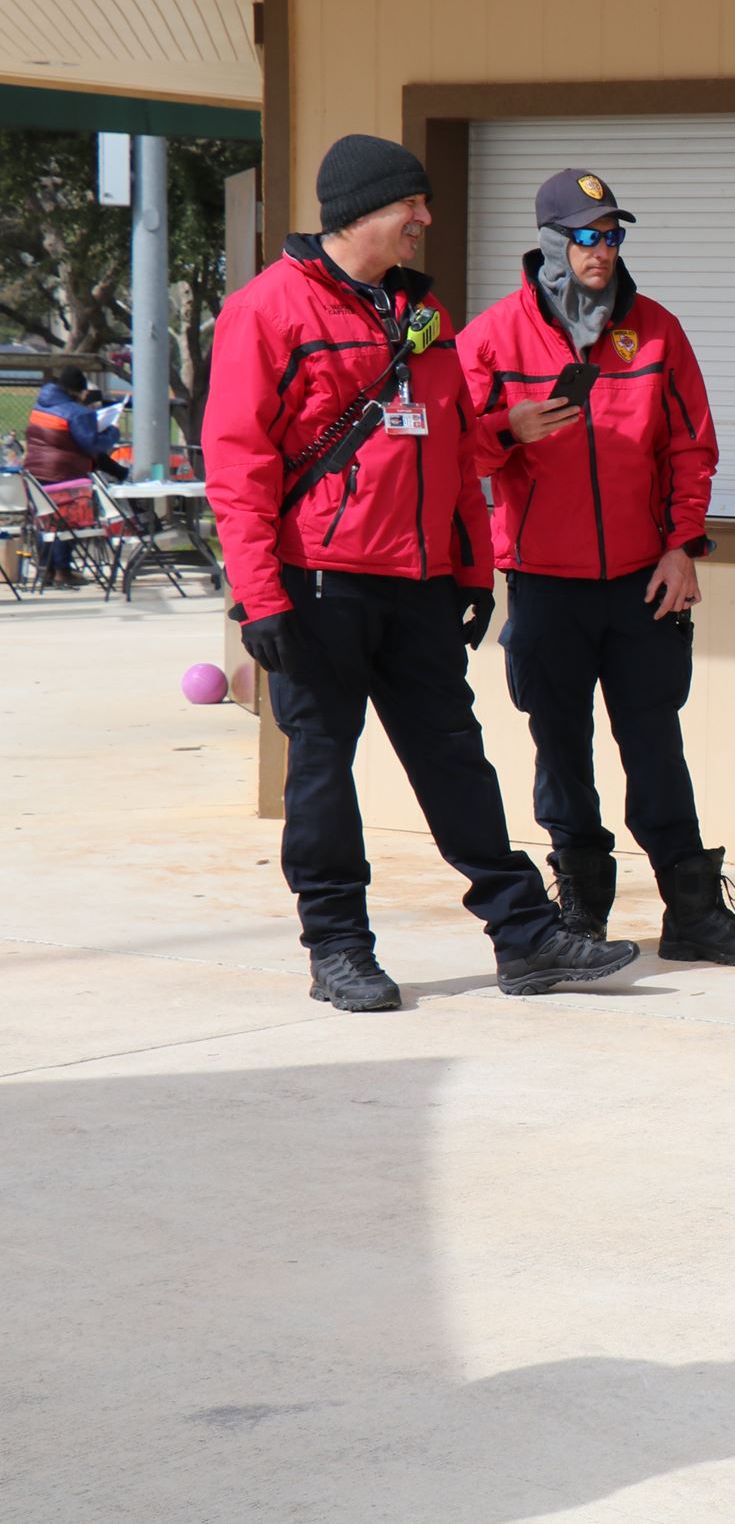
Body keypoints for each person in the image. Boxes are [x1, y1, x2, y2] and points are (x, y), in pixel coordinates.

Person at [203, 133, 633, 1012]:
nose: (425, 220)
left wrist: (471, 568)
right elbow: (237, 464)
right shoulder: (267, 309)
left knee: (456, 760)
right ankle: (338, 948)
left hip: (421, 583)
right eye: (412, 205)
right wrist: (259, 596)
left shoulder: (421, 312)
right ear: (363, 210)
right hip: (318, 584)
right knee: (323, 769)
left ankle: (525, 935)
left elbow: (452, 447)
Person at [457, 168, 735, 969]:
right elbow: (451, 452)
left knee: (656, 744)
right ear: (551, 242)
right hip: (544, 581)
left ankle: (694, 912)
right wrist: (508, 429)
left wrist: (682, 544)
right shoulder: (493, 337)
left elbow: (691, 447)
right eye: (587, 236)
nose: (602, 250)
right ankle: (580, 912)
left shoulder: (657, 330)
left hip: (643, 578)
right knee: (561, 749)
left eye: (612, 235)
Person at [20, 366, 122, 586]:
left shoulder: (40, 407)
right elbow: (92, 445)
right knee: (68, 520)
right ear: (79, 391)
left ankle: (46, 569)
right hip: (64, 475)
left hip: (34, 475)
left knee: (46, 521)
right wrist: (113, 431)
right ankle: (62, 571)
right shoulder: (77, 413)